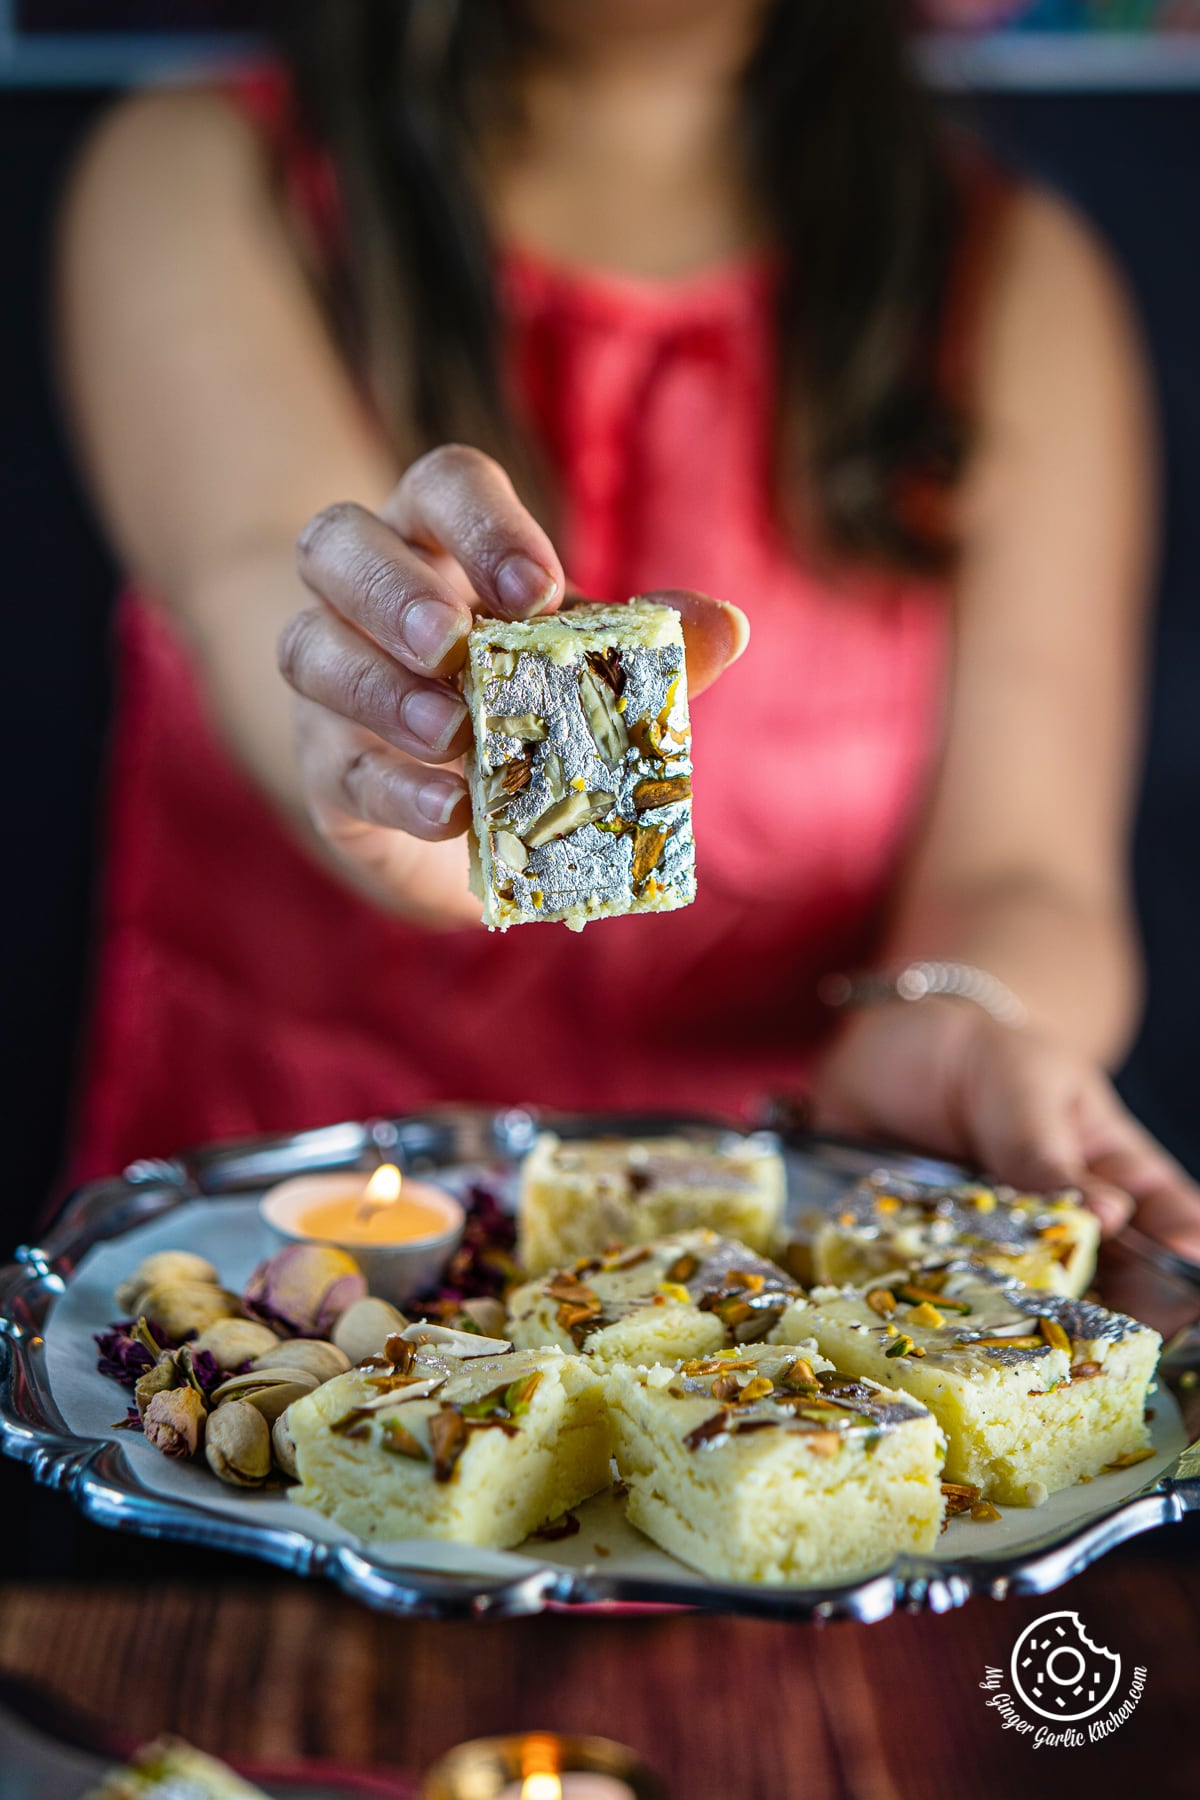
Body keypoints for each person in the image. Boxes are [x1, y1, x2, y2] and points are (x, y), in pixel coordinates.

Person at [57, 0, 1200, 1256]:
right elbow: (252, 581)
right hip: (287, 1231)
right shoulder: (199, 175)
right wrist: (372, 722)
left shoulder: (1014, 281)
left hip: (773, 1247)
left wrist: (962, 1012)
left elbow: (1027, 871)